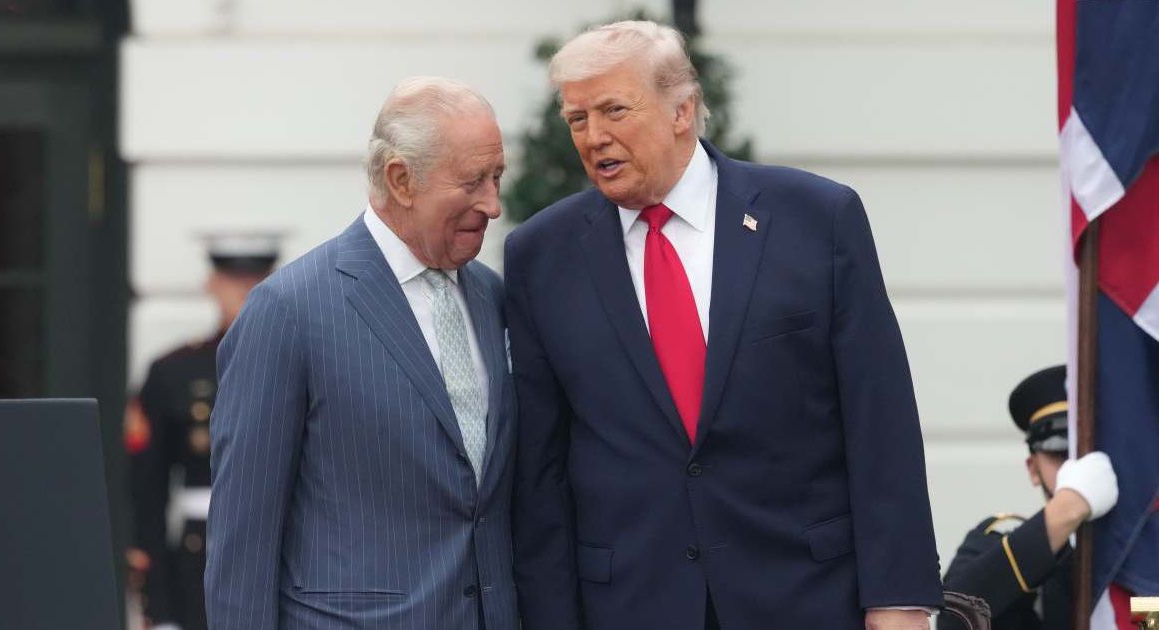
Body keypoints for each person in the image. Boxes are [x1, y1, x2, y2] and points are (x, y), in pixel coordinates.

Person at [505, 20, 942, 630]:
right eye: (577, 119)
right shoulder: (541, 255)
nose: (594, 137)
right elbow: (541, 472)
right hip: (631, 604)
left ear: (682, 110)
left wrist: (899, 603)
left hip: (806, 596)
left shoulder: (817, 219)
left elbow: (880, 420)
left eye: (613, 110)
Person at [203, 77, 516, 630]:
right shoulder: (289, 309)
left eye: (496, 177)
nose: (492, 204)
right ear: (401, 180)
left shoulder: (490, 295)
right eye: (471, 181)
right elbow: (242, 542)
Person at [125, 231, 281, 630]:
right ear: (212, 285)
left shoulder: (304, 358)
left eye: (257, 280)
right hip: (201, 556)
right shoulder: (174, 370)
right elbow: (147, 491)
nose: (246, 292)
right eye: (235, 281)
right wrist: (157, 608)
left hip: (286, 552)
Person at [940, 365, 1118, 630]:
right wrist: (1067, 510)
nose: (1077, 468)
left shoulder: (1144, 551)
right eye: (1061, 453)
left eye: (1088, 454)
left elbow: (1149, 622)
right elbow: (955, 618)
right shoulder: (995, 540)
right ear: (1033, 469)